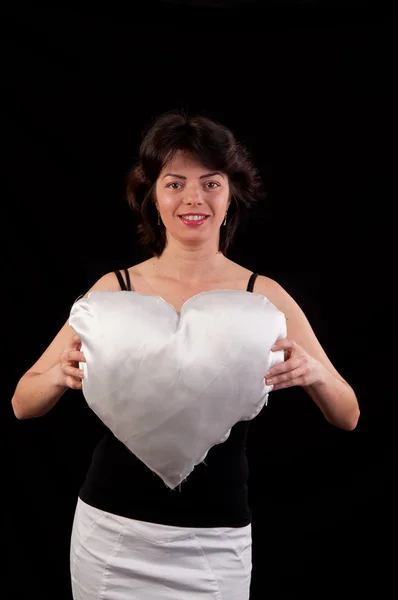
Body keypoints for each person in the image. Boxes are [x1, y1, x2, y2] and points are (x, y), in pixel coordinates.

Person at [11, 110, 360, 599]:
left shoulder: (264, 297)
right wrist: (60, 376)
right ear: (153, 195)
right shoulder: (114, 291)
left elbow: (348, 414)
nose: (193, 198)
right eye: (175, 184)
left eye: (210, 183)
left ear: (231, 192)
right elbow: (22, 402)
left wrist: (313, 372)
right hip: (110, 535)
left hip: (215, 544)